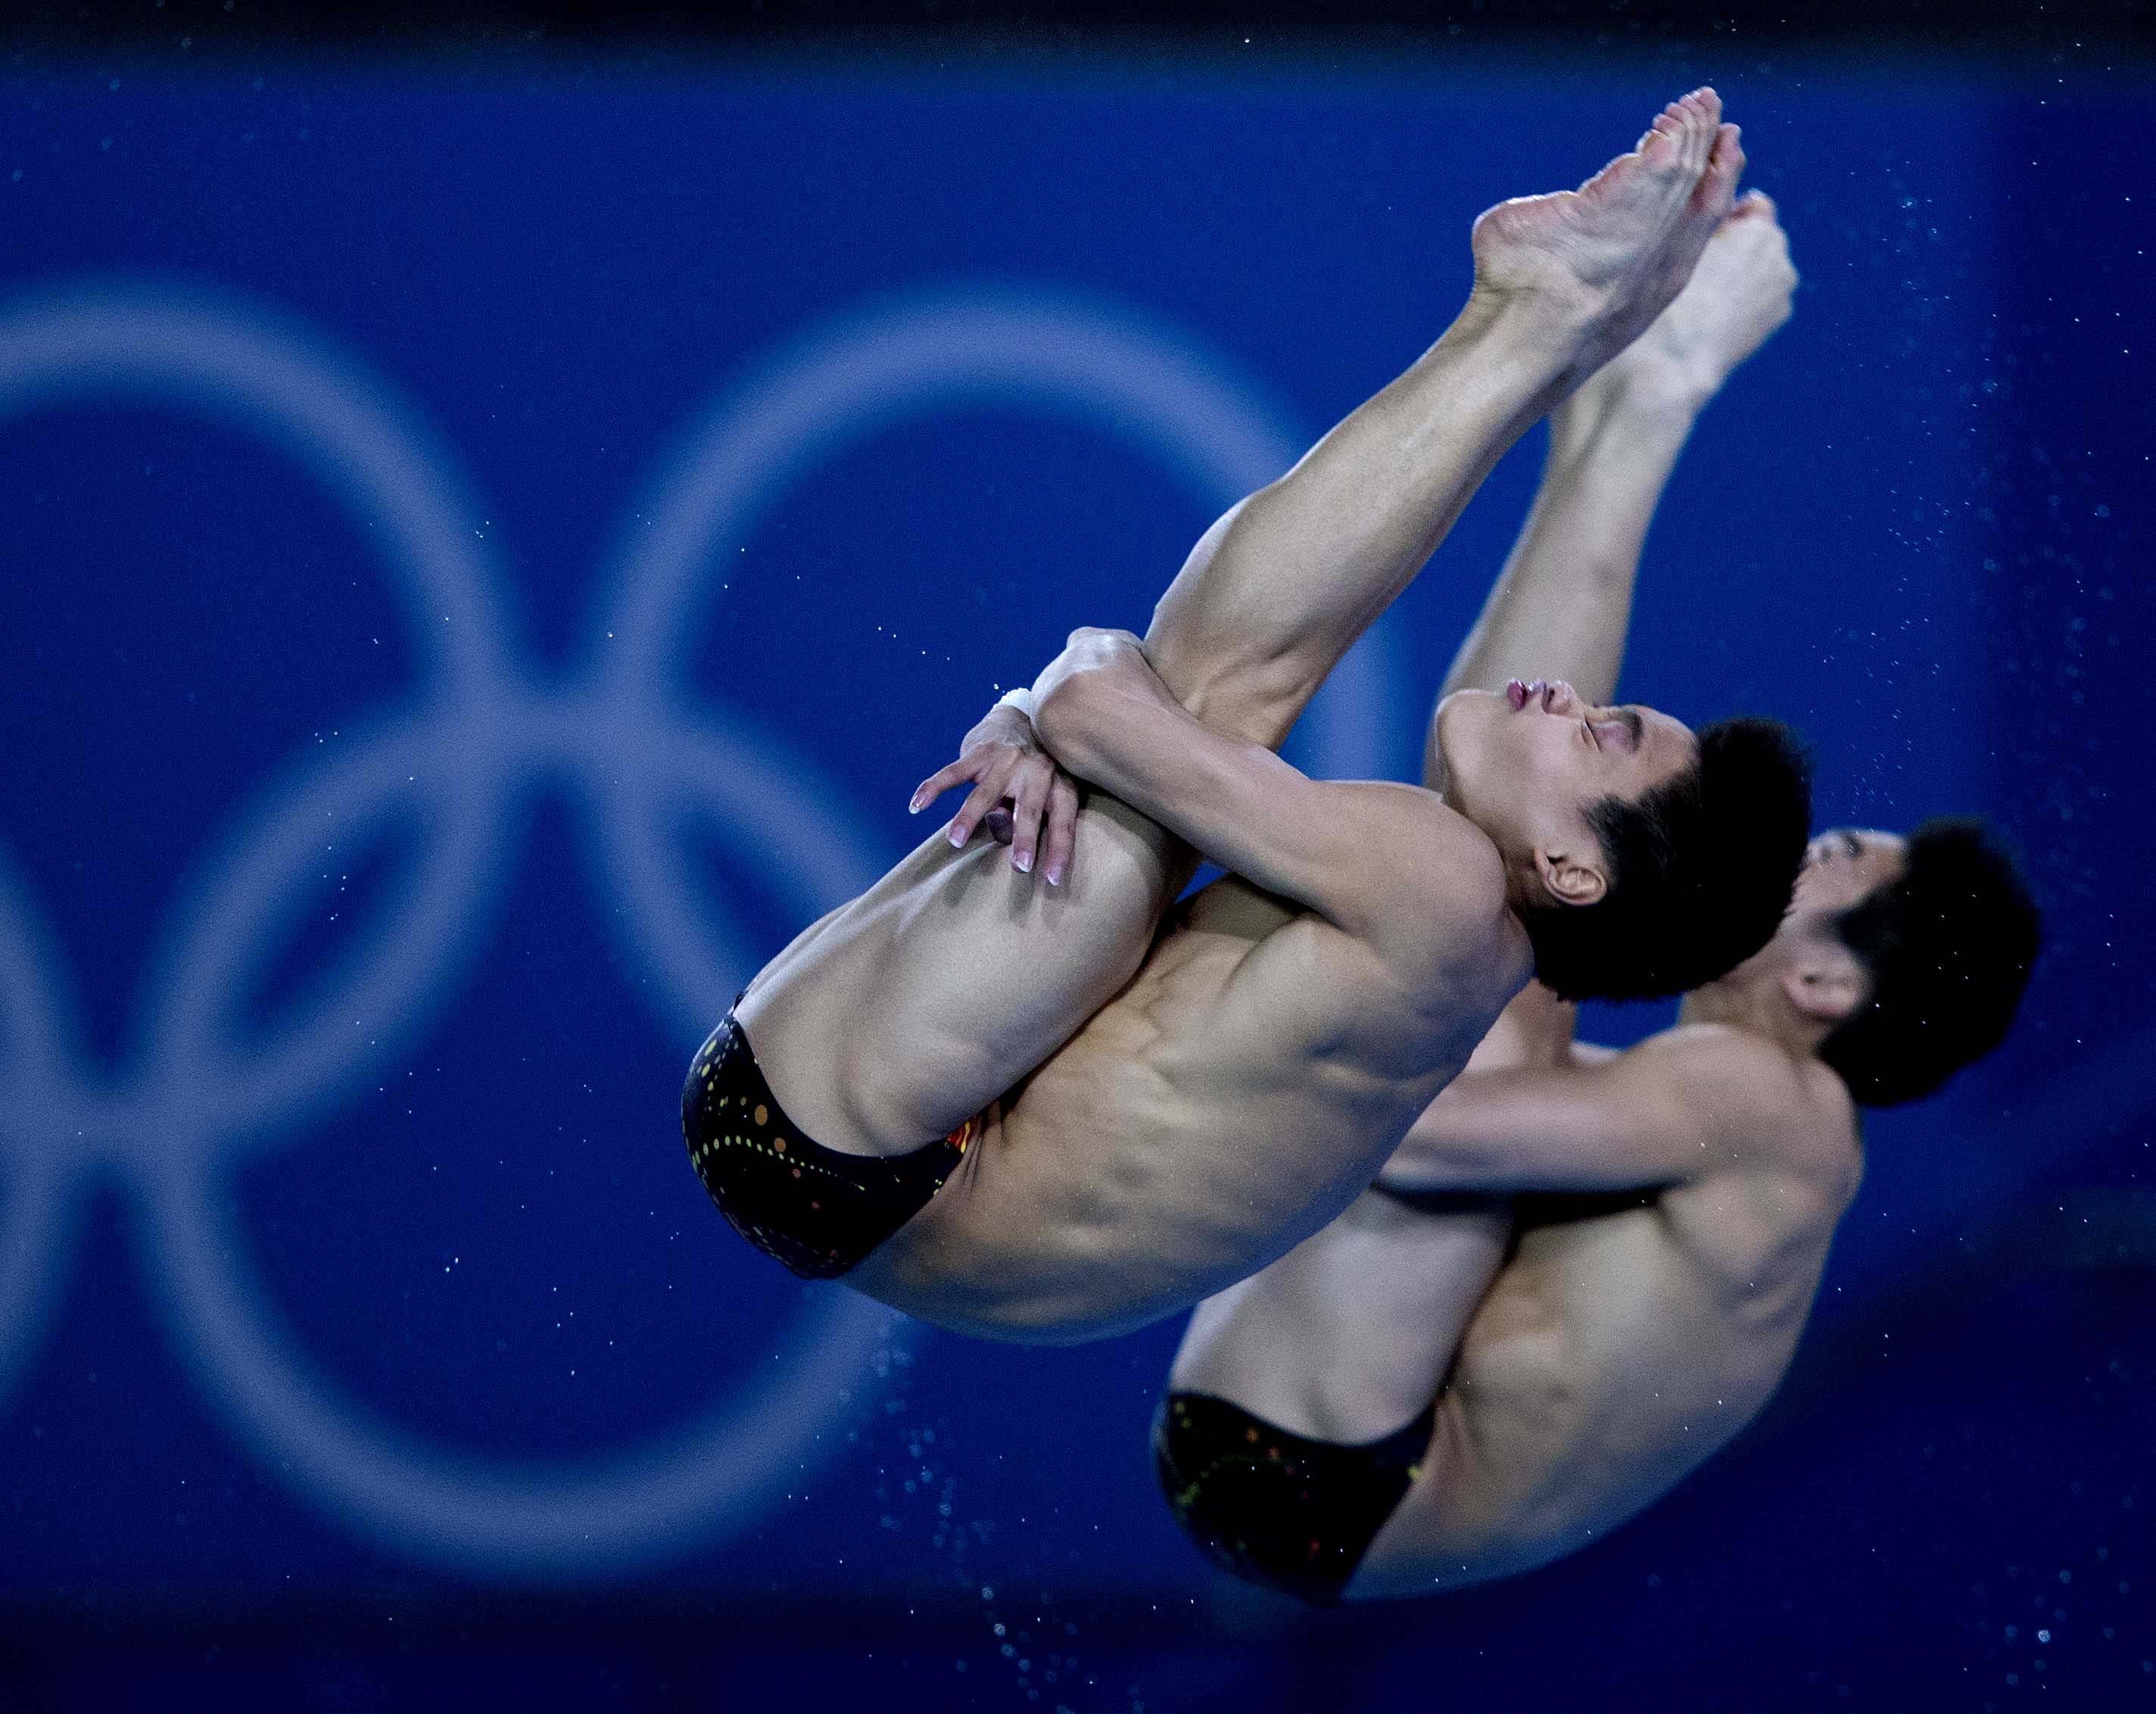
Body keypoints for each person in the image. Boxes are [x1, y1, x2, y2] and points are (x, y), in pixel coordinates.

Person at [683, 89, 1813, 1343]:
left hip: (841, 1129)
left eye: (1601, 735)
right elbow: (1103, 725)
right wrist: (1066, 725)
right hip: (881, 1188)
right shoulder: (1459, 963)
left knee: (1203, 713)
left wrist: (1047, 702)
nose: (1565, 697)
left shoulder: (1440, 884)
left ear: (1571, 870)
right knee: (1156, 771)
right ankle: (1549, 336)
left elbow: (1099, 701)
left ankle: (1532, 320)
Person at [1151, 194, 2042, 1603]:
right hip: (1315, 1463)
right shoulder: (1754, 1144)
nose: (1785, 862)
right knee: (1507, 935)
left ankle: (1640, 415)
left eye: (1828, 861)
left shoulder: (1773, 1104)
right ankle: (1626, 426)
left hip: (1317, 1478)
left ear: (1825, 988)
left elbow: (1415, 1136)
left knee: (1495, 956)